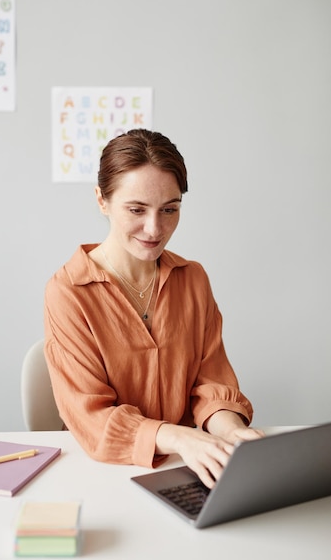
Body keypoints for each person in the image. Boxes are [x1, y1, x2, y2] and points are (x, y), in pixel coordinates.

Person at [44, 128, 263, 489]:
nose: (155, 228)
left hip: (187, 469)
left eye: (169, 210)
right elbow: (92, 416)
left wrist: (232, 431)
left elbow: (211, 384)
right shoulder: (68, 292)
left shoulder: (193, 279)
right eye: (136, 209)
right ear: (102, 200)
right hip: (103, 473)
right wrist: (178, 437)